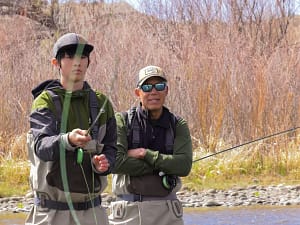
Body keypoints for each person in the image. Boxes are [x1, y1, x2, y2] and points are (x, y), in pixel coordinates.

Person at [25, 33, 117, 225]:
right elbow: (42, 146)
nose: (78, 62)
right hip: (51, 213)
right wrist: (68, 140)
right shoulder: (44, 101)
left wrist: (105, 162)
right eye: (70, 56)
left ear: (88, 62)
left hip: (93, 214)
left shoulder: (102, 103)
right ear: (55, 62)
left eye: (83, 56)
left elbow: (112, 149)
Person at [109, 65, 193, 225]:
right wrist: (166, 164)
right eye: (147, 87)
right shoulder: (121, 121)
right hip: (128, 213)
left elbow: (184, 166)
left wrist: (144, 154)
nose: (153, 92)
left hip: (168, 213)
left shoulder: (178, 124)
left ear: (166, 90)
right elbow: (116, 162)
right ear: (137, 92)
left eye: (159, 86)